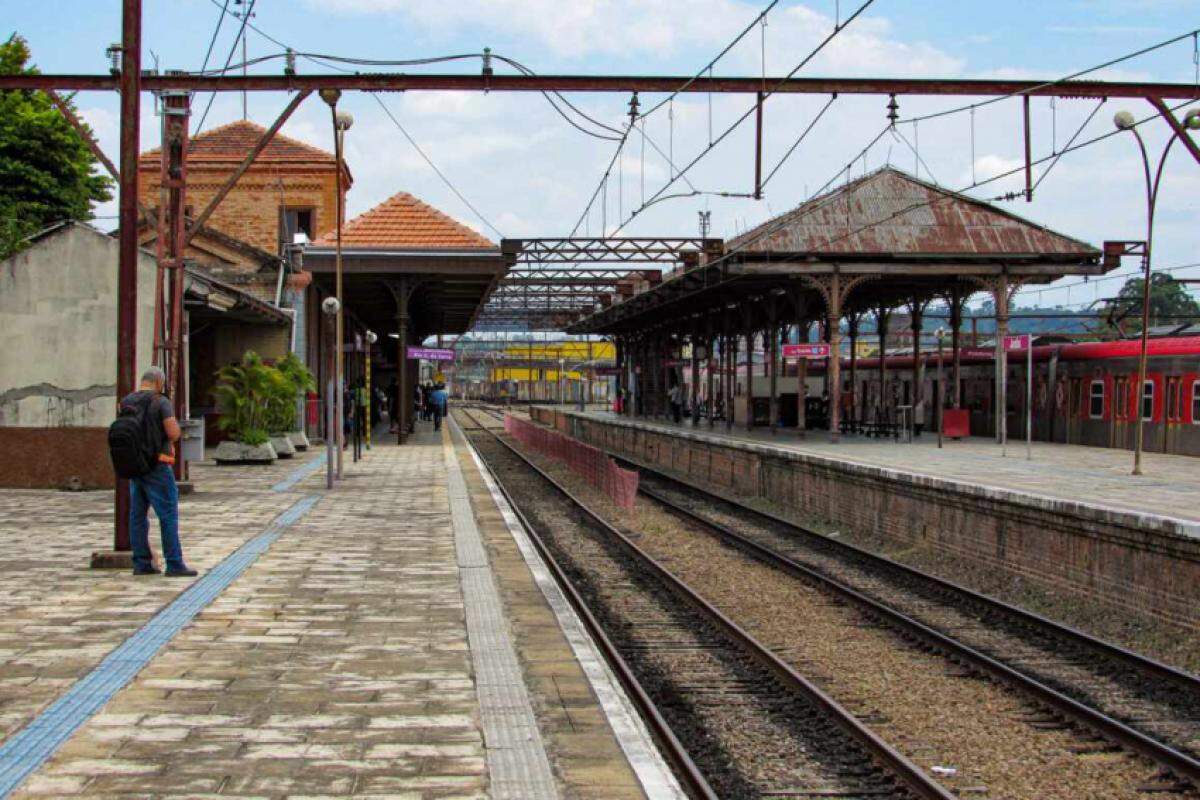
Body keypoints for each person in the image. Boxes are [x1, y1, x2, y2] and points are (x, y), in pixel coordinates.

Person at [120, 367, 197, 577]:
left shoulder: (127, 401)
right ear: (160, 382)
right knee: (168, 513)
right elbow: (172, 432)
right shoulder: (160, 402)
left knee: (137, 515)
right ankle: (174, 563)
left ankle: (141, 562)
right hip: (157, 465)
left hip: (135, 465)